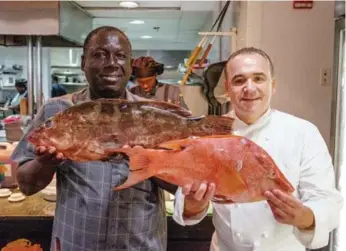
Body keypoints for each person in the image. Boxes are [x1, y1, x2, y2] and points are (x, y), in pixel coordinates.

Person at [11, 26, 178, 251]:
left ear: (130, 65)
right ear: (83, 62)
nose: (111, 63)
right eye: (100, 54)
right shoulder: (57, 112)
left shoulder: (151, 115)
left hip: (140, 246)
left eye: (120, 56)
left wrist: (146, 160)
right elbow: (25, 186)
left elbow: (182, 187)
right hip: (75, 244)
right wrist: (44, 163)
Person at [173, 47, 343, 251]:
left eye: (259, 78)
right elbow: (185, 205)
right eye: (239, 80)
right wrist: (194, 204)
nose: (249, 88)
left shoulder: (303, 133)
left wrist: (304, 216)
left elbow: (325, 199)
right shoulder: (208, 134)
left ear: (273, 85)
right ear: (227, 88)